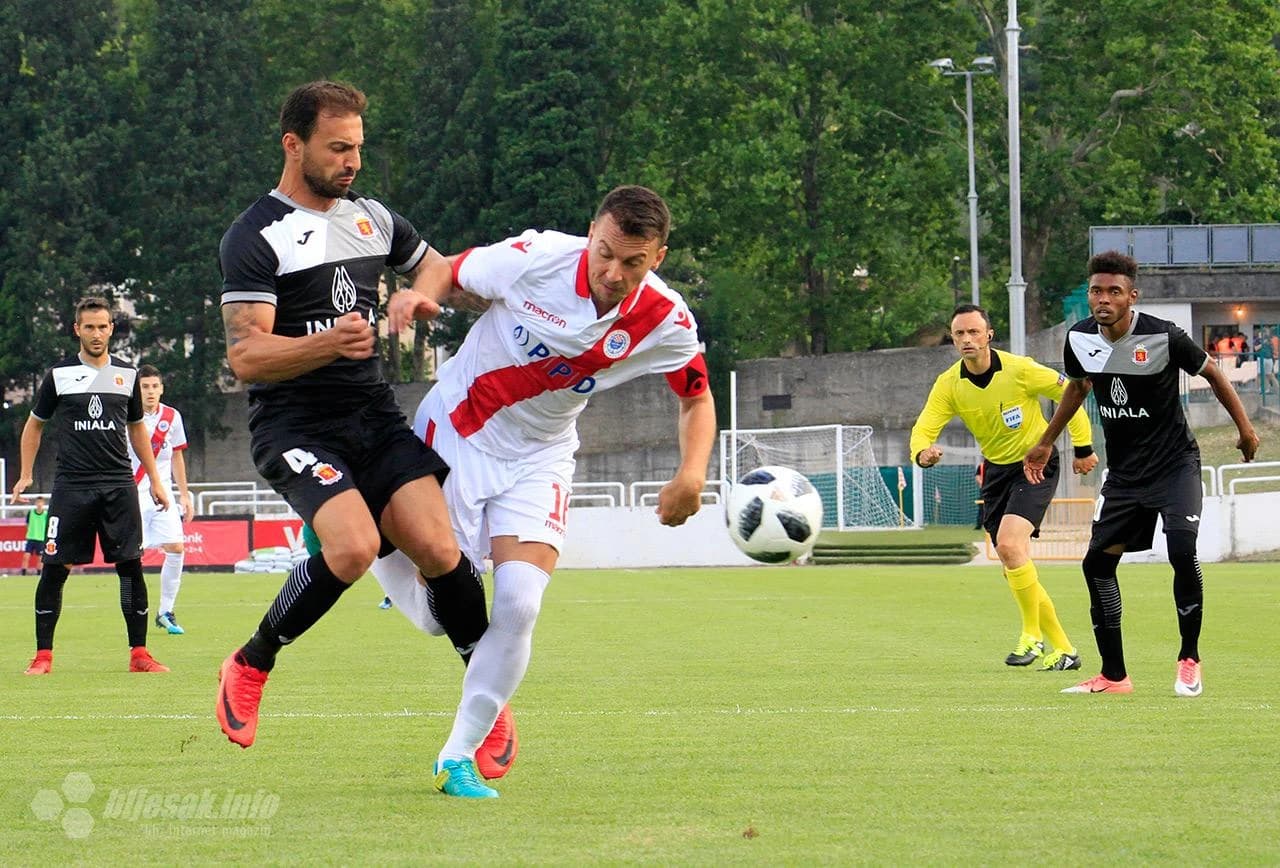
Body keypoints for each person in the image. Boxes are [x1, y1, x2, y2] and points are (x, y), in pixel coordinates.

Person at [377, 184, 716, 798]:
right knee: (437, 617)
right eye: (605, 252)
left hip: (542, 456)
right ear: (591, 233)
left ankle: (457, 756)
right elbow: (450, 270)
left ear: (658, 258)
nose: (614, 272)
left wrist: (692, 473)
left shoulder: (667, 319)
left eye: (633, 262)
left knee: (519, 604)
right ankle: (369, 536)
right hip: (458, 429)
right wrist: (420, 298)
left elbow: (695, 396)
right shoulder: (537, 256)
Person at [215, 81, 509, 765]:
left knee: (441, 552)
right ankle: (252, 662)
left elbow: (437, 268)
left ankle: (483, 698)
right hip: (295, 426)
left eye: (359, 148)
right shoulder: (254, 235)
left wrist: (424, 294)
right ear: (294, 145)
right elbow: (246, 355)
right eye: (338, 147)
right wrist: (329, 343)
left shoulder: (373, 217)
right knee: (349, 549)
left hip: (372, 417)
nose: (352, 161)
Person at [1025, 250, 1259, 696]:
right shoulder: (1078, 339)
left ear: (1132, 296)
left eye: (1114, 291)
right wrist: (1045, 441)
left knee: (1182, 548)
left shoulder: (1165, 337)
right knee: (1096, 564)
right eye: (1097, 290)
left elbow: (1214, 374)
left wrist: (1245, 431)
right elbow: (1078, 388)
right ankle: (1115, 676)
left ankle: (1189, 658)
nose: (1103, 299)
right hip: (1125, 477)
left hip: (1175, 468)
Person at [911, 304, 1097, 671]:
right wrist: (922, 453)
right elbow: (924, 428)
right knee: (1014, 562)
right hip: (996, 472)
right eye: (959, 334)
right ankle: (1065, 649)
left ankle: (1032, 635)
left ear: (988, 335)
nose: (966, 339)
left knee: (1011, 546)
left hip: (1035, 464)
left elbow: (1073, 394)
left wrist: (1083, 446)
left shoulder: (1020, 369)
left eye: (973, 332)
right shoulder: (949, 384)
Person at [12, 296, 172, 675]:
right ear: (77, 330)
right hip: (72, 485)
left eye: (103, 326)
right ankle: (43, 657)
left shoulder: (127, 376)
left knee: (130, 568)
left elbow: (137, 431)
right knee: (54, 568)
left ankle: (139, 655)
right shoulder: (59, 375)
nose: (97, 333)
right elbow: (35, 424)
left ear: (112, 329)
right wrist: (25, 473)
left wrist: (155, 480)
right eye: (89, 327)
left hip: (118, 484)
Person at [125, 365, 194, 635]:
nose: (151, 392)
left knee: (176, 547)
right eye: (145, 387)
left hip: (163, 493)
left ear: (162, 388)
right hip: (133, 492)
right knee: (132, 555)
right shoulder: (127, 417)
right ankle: (135, 613)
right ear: (137, 389)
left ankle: (165, 611)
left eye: (155, 386)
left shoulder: (171, 417)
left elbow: (177, 456)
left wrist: (185, 494)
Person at [20, 496, 49, 576]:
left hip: (41, 539)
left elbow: (47, 526)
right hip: (31, 538)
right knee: (26, 556)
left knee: (40, 558)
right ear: (36, 503)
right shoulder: (31, 512)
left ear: (43, 503)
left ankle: (39, 573)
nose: (39, 504)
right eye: (38, 502)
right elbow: (27, 524)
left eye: (41, 502)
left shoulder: (45, 514)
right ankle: (23, 573)